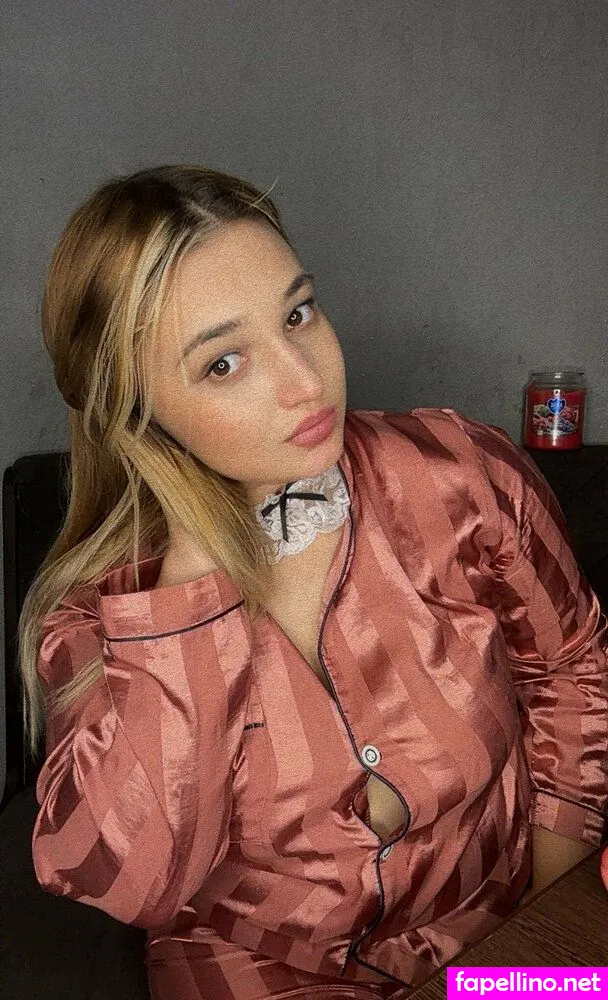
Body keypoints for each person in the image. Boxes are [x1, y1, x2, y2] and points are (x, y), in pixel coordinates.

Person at [21, 164, 608, 1000]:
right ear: (135, 412)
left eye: (298, 313)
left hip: (507, 920)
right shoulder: (97, 620)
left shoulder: (464, 476)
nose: (306, 380)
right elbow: (131, 881)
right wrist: (188, 588)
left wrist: (538, 934)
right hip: (260, 971)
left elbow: (572, 671)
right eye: (224, 363)